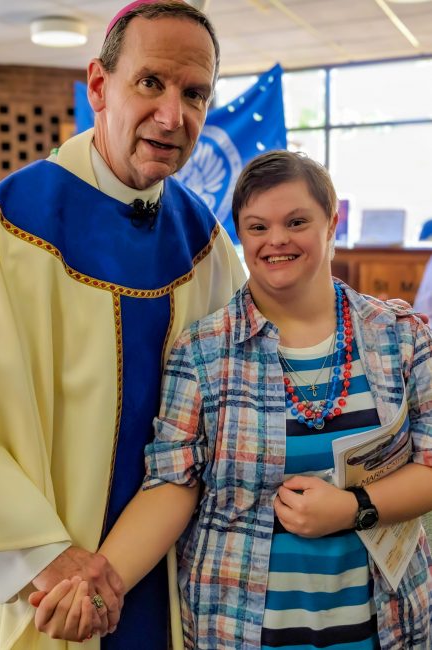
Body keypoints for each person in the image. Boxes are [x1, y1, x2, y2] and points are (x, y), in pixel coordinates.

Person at [34, 150, 432, 649]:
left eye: (296, 221)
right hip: (240, 630)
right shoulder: (201, 352)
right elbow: (171, 485)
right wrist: (98, 587)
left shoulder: (401, 338)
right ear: (239, 235)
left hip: (386, 626)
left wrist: (353, 508)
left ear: (331, 222)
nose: (277, 240)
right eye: (257, 226)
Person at [0, 1, 245, 649]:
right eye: (150, 82)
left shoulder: (206, 242)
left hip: (184, 579)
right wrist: (44, 557)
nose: (172, 116)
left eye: (194, 94)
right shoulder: (8, 228)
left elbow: (247, 397)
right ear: (99, 86)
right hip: (53, 585)